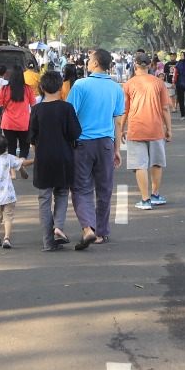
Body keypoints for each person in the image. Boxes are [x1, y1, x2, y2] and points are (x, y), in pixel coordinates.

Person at [67, 48, 126, 249]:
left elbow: (70, 116)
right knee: (104, 189)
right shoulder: (117, 89)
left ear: (94, 64)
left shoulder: (80, 85)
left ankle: (87, 228)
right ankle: (101, 232)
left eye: (90, 60)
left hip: (82, 144)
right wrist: (117, 149)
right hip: (106, 144)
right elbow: (117, 122)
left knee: (81, 188)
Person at [25, 70, 80, 250]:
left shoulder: (37, 109)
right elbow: (76, 133)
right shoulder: (67, 108)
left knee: (44, 198)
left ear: (41, 88)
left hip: (44, 159)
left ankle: (48, 242)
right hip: (64, 157)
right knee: (62, 194)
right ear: (60, 87)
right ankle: (58, 227)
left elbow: (32, 137)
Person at [123, 51, 172, 210]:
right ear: (150, 66)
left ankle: (145, 200)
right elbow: (165, 108)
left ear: (135, 65)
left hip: (136, 128)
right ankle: (155, 195)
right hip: (156, 128)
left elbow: (125, 110)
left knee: (140, 165)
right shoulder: (159, 83)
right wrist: (169, 129)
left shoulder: (129, 84)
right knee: (157, 162)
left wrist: (122, 129)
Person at [0, 64, 36, 172]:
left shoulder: (4, 89)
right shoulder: (28, 88)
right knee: (24, 146)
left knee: (11, 147)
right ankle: (22, 163)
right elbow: (34, 105)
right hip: (24, 123)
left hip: (8, 123)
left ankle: (12, 172)